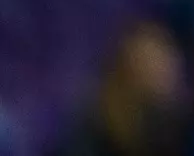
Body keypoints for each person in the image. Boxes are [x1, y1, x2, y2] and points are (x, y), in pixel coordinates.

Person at [61, 21, 187, 156]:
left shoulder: (173, 124)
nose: (168, 67)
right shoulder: (95, 126)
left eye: (168, 57)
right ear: (129, 68)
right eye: (154, 60)